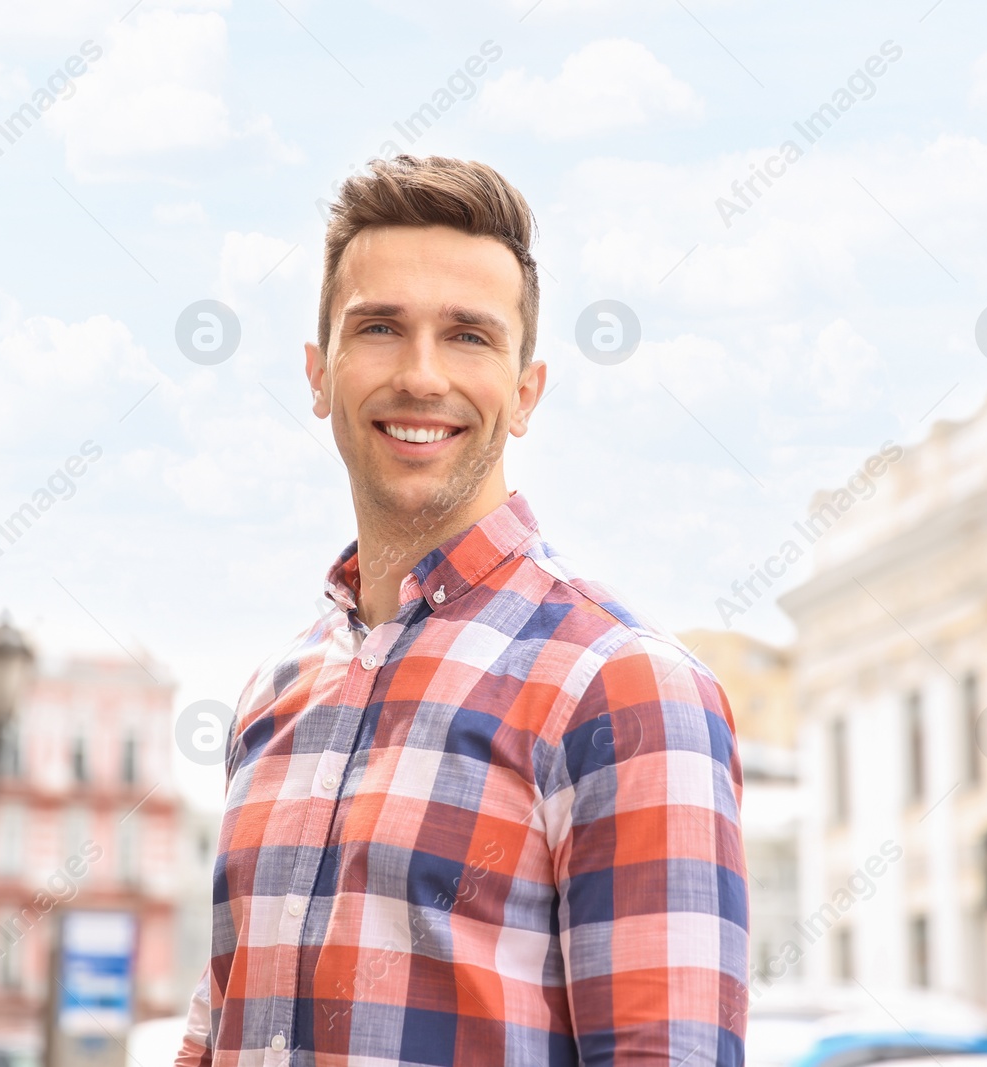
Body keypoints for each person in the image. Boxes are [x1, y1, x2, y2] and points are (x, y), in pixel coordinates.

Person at [176, 155, 747, 1066]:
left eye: (470, 336)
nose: (421, 374)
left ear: (526, 391)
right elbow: (214, 1032)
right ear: (319, 375)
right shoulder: (270, 700)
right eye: (380, 327)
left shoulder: (625, 689)